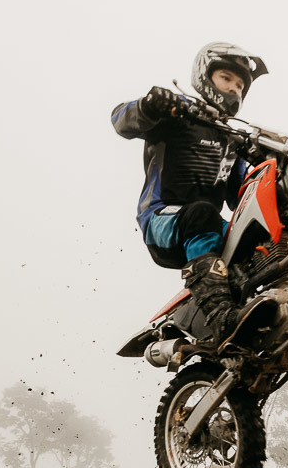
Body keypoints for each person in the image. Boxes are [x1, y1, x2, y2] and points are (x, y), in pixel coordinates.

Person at [111, 42, 273, 351]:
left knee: (263, 240)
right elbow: (121, 119)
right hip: (161, 220)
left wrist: (260, 162)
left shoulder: (231, 139)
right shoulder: (175, 111)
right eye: (227, 78)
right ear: (205, 76)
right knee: (202, 213)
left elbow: (244, 193)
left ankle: (272, 314)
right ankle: (222, 316)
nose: (234, 89)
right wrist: (149, 105)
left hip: (207, 229)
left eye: (240, 85)